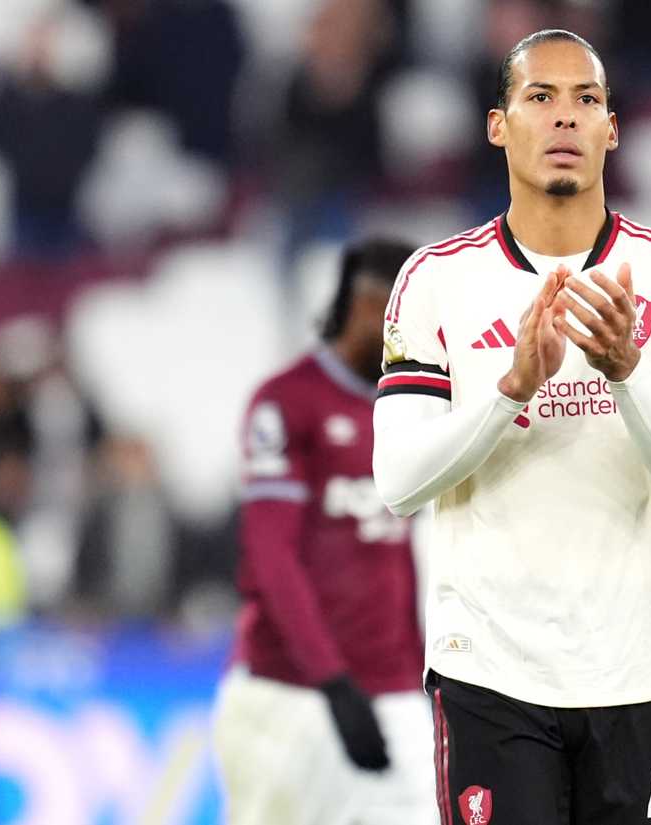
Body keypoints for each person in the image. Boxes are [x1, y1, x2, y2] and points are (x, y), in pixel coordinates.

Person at [371, 29, 651, 825]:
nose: (565, 117)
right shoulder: (436, 279)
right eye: (540, 97)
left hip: (635, 672)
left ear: (613, 129)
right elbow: (398, 481)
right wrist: (510, 390)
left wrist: (628, 371)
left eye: (586, 99)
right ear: (498, 125)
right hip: (489, 674)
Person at [212, 238, 434, 825]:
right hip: (288, 694)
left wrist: (423, 674)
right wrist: (331, 681)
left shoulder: (414, 410)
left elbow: (402, 554)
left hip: (395, 693)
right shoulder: (287, 402)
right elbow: (271, 557)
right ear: (368, 307)